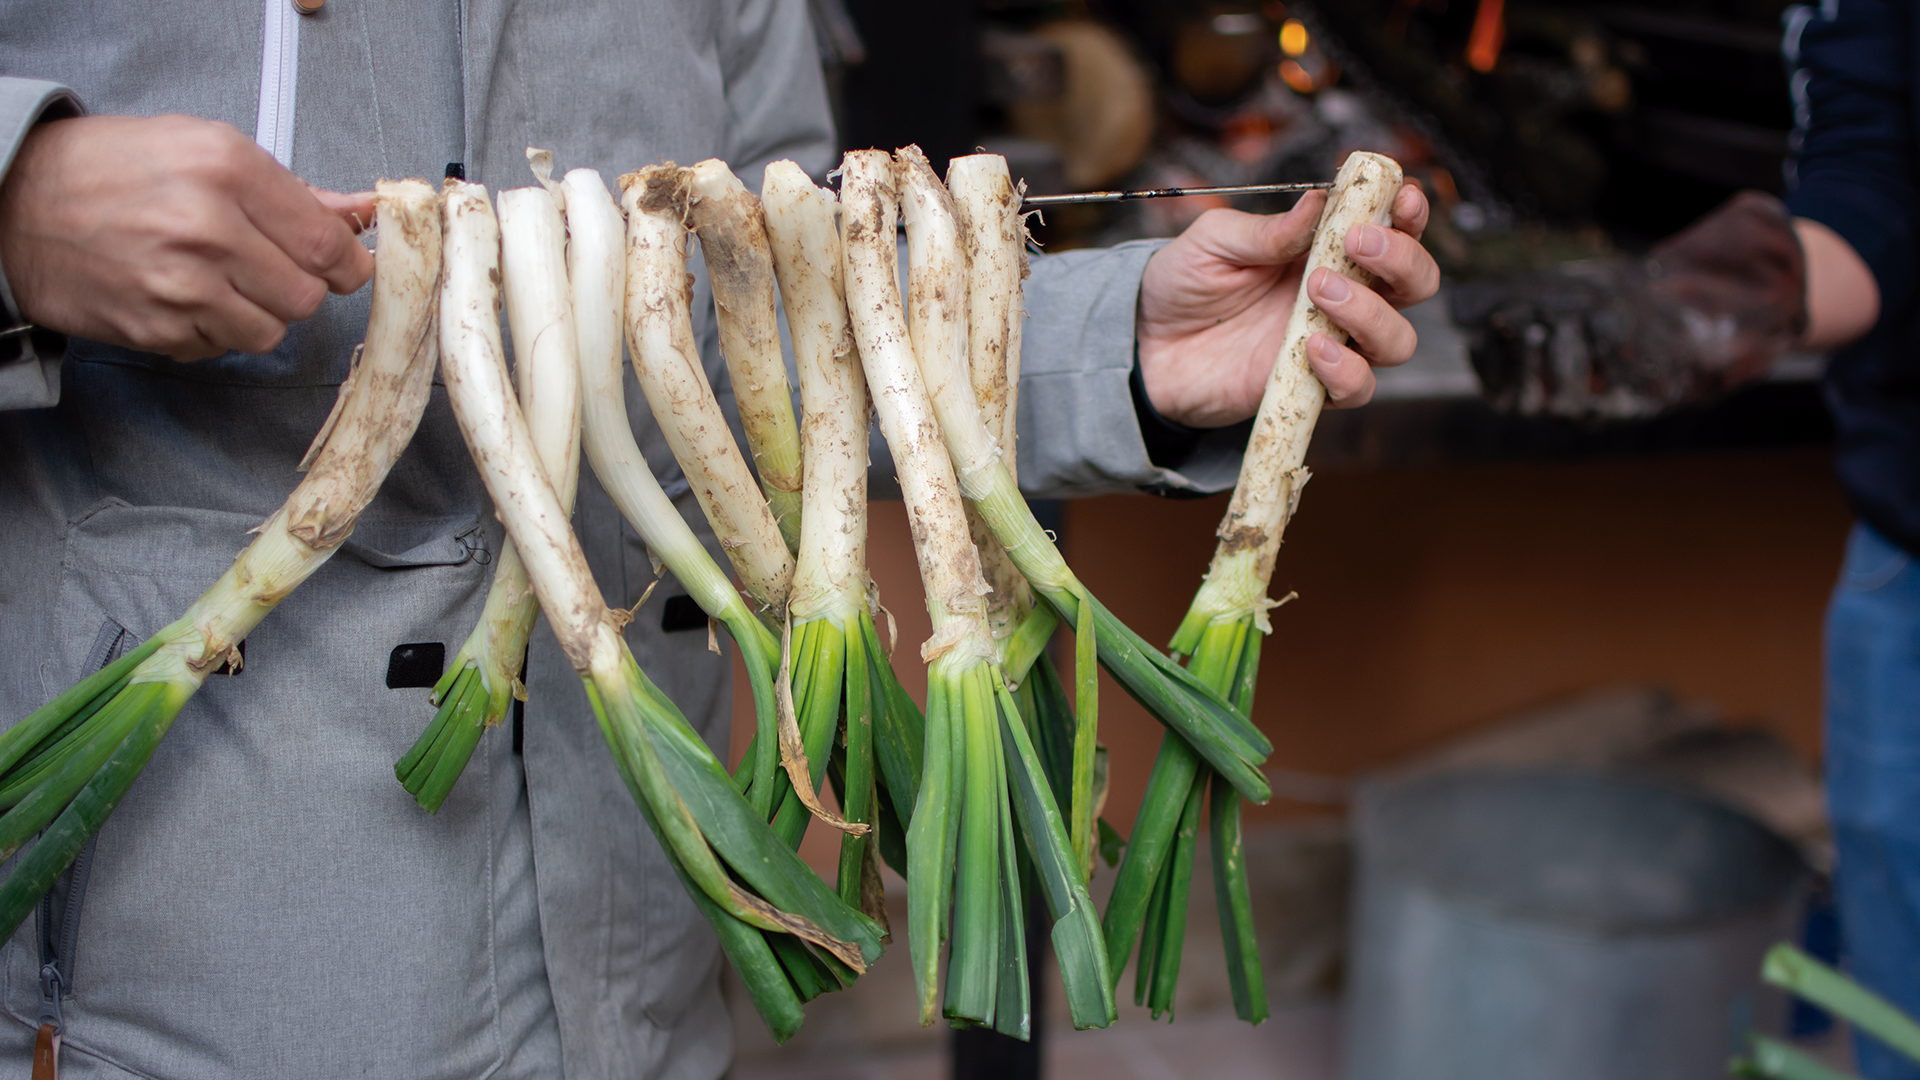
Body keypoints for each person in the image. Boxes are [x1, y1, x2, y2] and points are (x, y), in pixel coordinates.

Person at [0, 3, 1438, 1076]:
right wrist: (17, 198)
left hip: (636, 952)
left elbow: (784, 335)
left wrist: (1116, 347)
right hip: (162, 974)